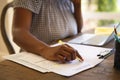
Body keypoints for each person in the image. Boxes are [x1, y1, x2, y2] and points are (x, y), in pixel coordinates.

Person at [12, 0, 83, 63]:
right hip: (36, 60)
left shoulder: (66, 1)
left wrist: (77, 5)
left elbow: (78, 30)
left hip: (64, 60)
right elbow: (18, 33)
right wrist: (45, 49)